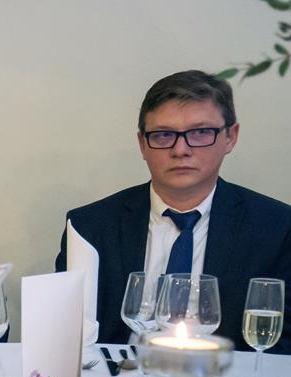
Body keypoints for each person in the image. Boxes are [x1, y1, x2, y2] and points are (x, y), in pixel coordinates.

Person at [56, 70, 291, 354]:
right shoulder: (90, 227)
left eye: (200, 132)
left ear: (230, 137)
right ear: (143, 144)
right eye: (164, 135)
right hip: (120, 374)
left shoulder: (277, 228)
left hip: (223, 376)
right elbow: (65, 335)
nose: (180, 150)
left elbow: (283, 346)